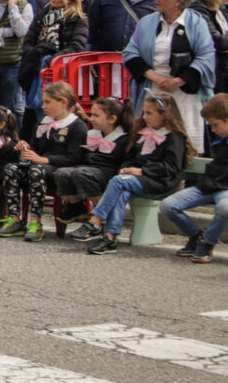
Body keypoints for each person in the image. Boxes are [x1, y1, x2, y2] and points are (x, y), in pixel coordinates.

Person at [82, 90, 188, 255]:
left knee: (119, 182)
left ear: (165, 115)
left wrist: (141, 170)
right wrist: (126, 167)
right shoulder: (144, 133)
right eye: (144, 112)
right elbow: (132, 157)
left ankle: (95, 219)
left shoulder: (174, 138)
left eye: (149, 113)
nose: (144, 116)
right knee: (122, 190)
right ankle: (110, 237)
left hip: (160, 182)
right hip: (140, 180)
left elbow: (171, 167)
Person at [122, 0, 216, 134]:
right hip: (152, 87)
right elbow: (131, 53)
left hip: (184, 92)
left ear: (177, 1)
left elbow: (206, 56)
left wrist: (178, 81)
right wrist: (156, 77)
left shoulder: (196, 23)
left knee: (185, 135)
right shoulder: (146, 22)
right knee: (150, 136)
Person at [0, 81, 87, 241]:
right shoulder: (43, 122)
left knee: (36, 170)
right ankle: (15, 219)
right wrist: (25, 147)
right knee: (11, 168)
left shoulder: (77, 126)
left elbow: (74, 157)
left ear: (63, 102)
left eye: (47, 102)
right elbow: (35, 149)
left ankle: (35, 222)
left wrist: (43, 159)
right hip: (38, 167)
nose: (42, 105)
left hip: (60, 171)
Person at [159, 93, 228, 263]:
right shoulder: (221, 141)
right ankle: (196, 236)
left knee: (225, 208)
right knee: (169, 205)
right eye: (210, 125)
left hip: (225, 190)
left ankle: (208, 242)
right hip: (207, 187)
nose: (213, 130)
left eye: (216, 125)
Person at [18, 0, 89, 135]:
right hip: (36, 67)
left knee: (54, 112)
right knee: (30, 118)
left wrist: (53, 59)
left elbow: (77, 46)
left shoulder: (77, 18)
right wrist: (33, 54)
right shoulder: (43, 13)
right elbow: (29, 40)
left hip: (61, 72)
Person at [56, 97, 132, 232]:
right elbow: (82, 156)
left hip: (108, 172)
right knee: (62, 172)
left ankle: (100, 212)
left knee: (82, 174)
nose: (91, 119)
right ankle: (77, 207)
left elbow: (126, 161)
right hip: (90, 169)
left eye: (96, 115)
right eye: (91, 114)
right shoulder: (93, 134)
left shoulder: (124, 138)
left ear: (112, 119)